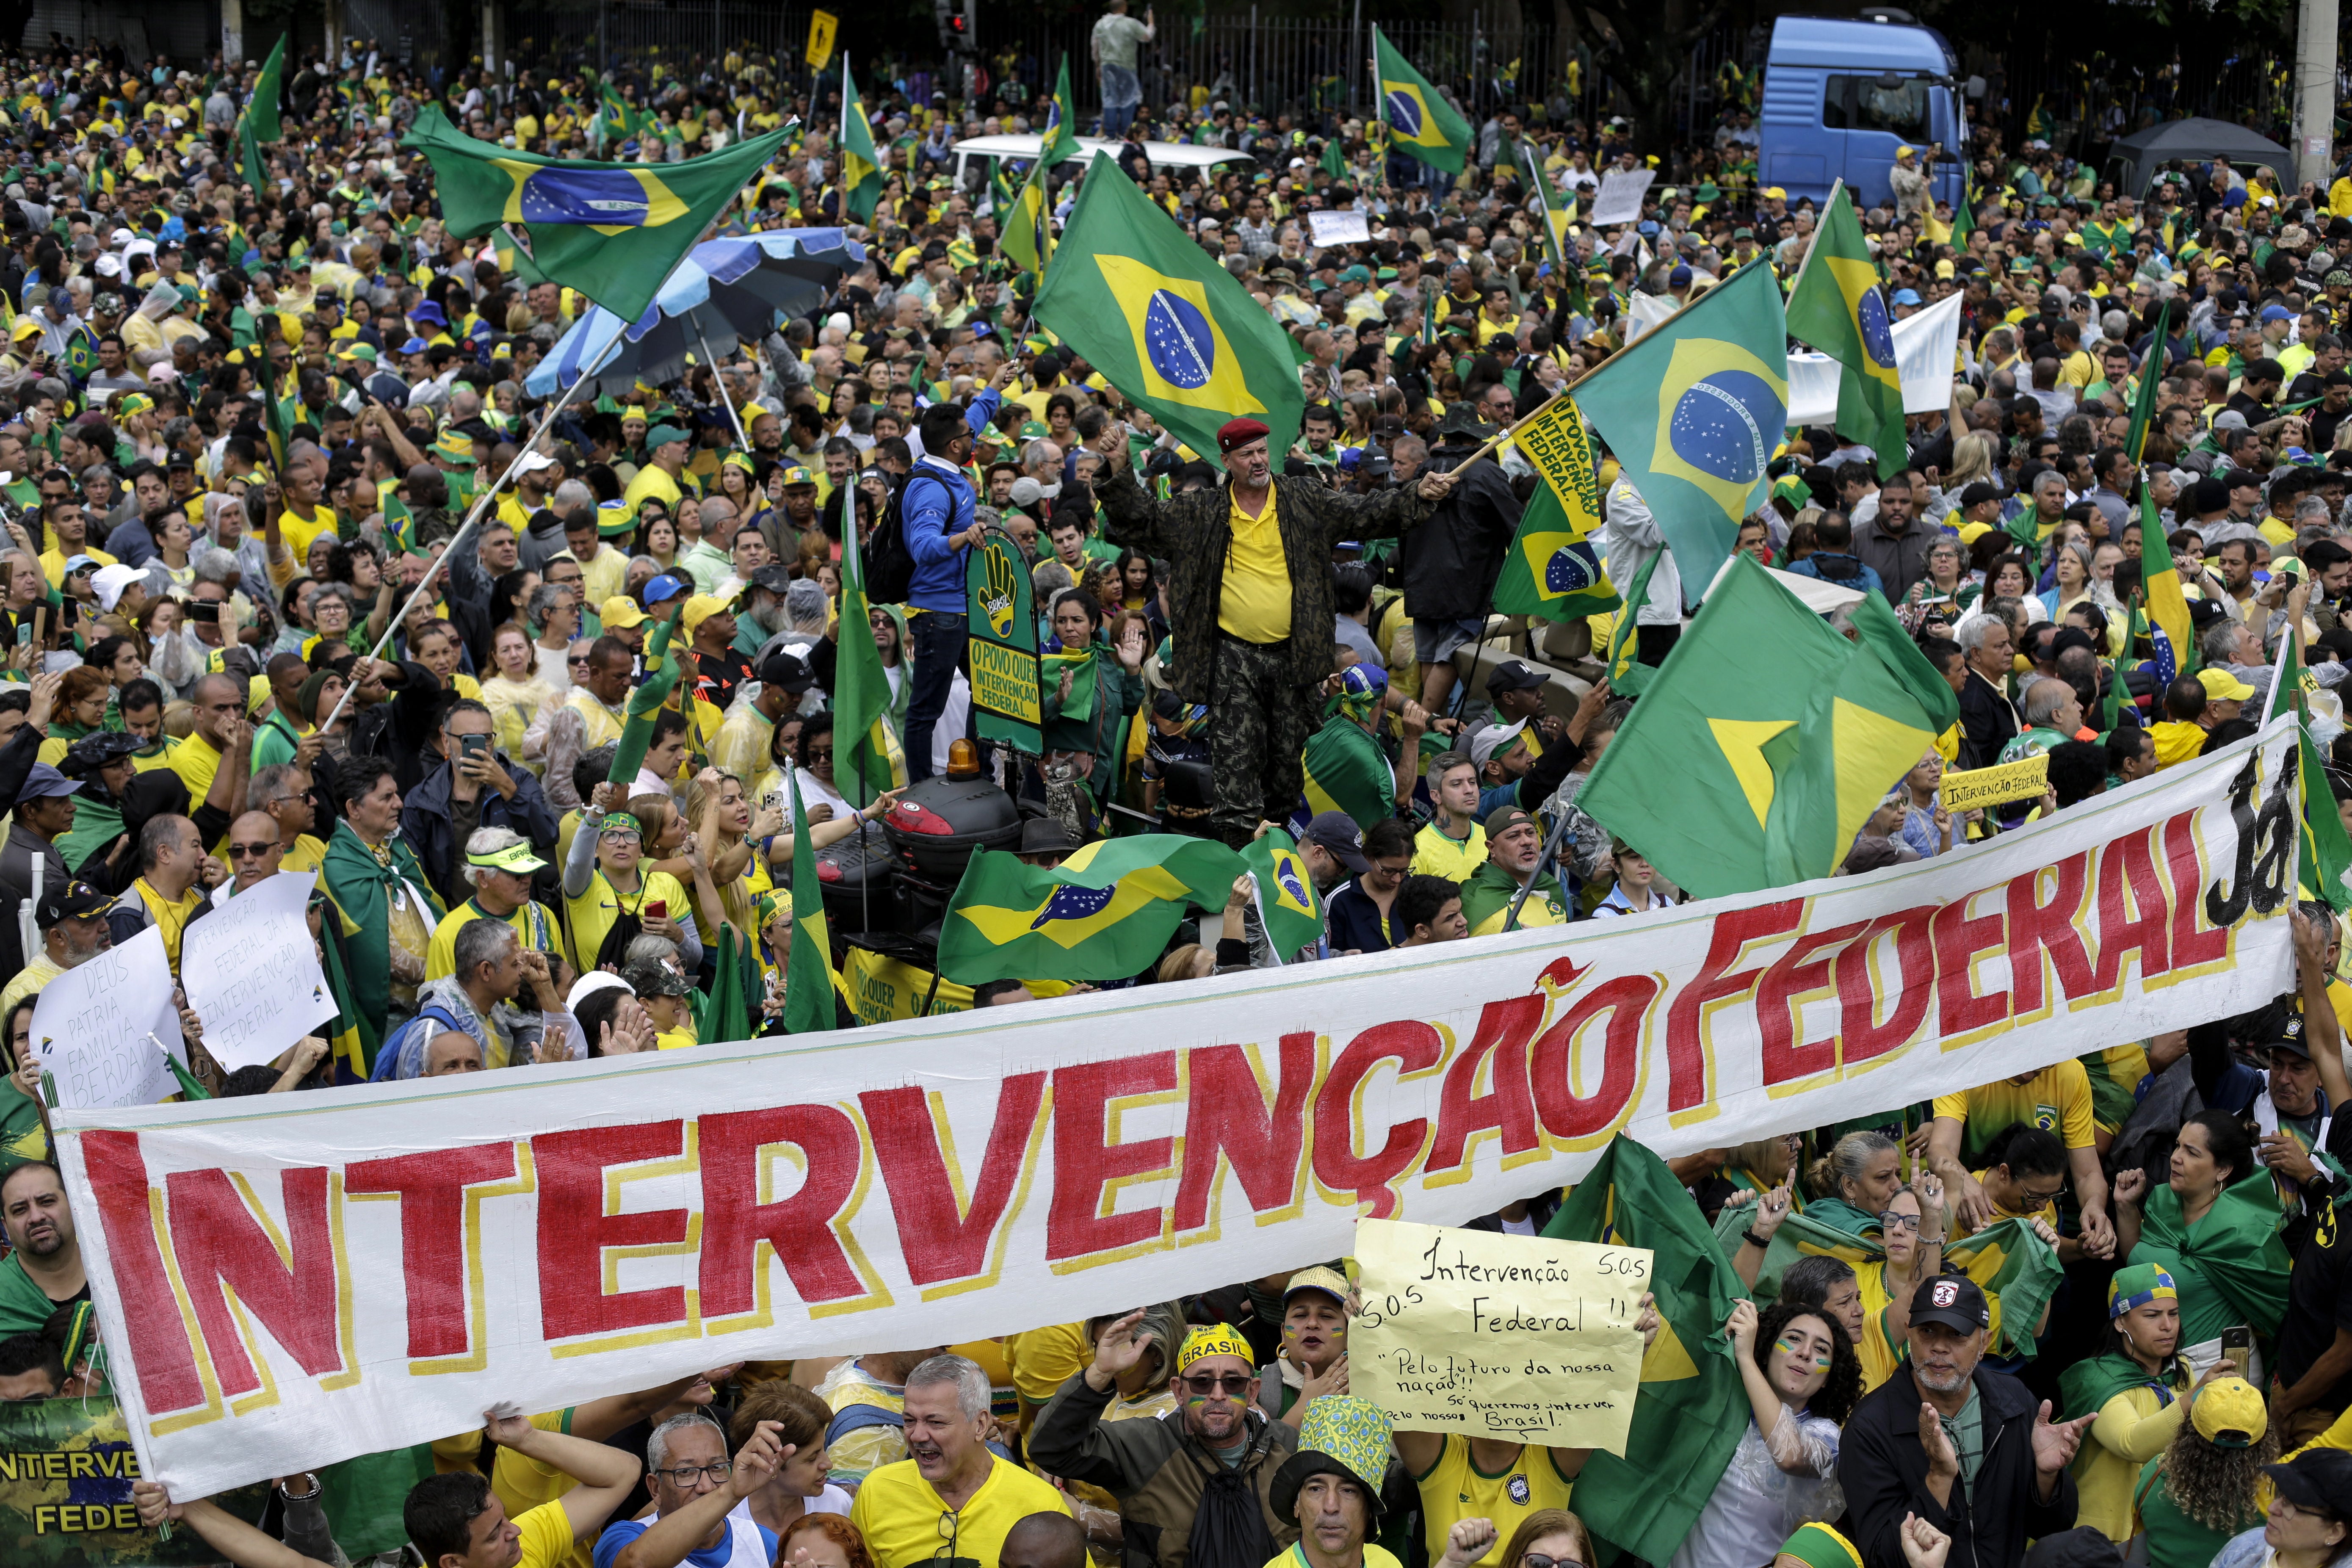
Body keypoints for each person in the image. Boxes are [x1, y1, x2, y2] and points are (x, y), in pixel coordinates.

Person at [1094, 415, 1453, 847]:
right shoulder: (1203, 510)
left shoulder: (1303, 498)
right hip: (1231, 658)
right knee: (1236, 772)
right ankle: (1241, 872)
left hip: (1293, 658)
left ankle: (1277, 861)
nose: (1257, 460)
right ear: (1226, 460)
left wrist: (1418, 495)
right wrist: (1118, 467)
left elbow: (1365, 514)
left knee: (1285, 772)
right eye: (1246, 454)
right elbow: (1143, 522)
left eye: (1262, 450)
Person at [1838, 1275, 2090, 1568]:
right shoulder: (1869, 1427)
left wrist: (2046, 1478)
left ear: (1984, 1343)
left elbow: (2050, 1528)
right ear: (1909, 1333)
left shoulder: (2014, 1402)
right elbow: (1882, 1556)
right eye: (1928, 1331)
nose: (1939, 1347)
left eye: (1956, 1334)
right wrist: (1938, 1480)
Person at [1029, 1319, 1298, 1568]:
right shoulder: (1145, 1446)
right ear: (1179, 1391)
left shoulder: (1286, 1445)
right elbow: (1050, 1448)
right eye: (1202, 1382)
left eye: (1233, 1382)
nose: (1218, 1395)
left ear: (1252, 1392)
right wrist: (1100, 1373)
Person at [1671, 1300, 1859, 1568]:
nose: (1805, 1353)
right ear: (1769, 1348)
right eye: (1794, 1339)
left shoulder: (1827, 1436)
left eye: (1821, 1349)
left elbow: (1790, 1456)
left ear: (1828, 1376)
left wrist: (1746, 1360)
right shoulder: (1719, 1408)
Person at [848, 1353, 1072, 1567]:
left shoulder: (1040, 1504)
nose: (917, 1436)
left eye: (935, 1422)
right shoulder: (876, 1492)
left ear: (981, 1425)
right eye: (909, 1421)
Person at [2114, 1109, 2291, 1379]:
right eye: (2178, 1146)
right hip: (2151, 1362)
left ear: (2223, 1169)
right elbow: (2144, 1272)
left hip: (2219, 1370)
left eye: (2192, 1153)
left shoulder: (2243, 1228)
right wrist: (2126, 1207)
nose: (2175, 1158)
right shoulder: (2162, 1201)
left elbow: (2283, 1302)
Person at [2056, 1265, 2200, 1541]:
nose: (2167, 1326)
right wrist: (2192, 1400)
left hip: (2161, 1529)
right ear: (2120, 1322)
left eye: (2173, 1314)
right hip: (2099, 1535)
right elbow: (2131, 1442)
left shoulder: (2180, 1369)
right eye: (2152, 1315)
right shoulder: (2096, 1376)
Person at [592, 1413, 786, 1568]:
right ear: (655, 1488)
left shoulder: (763, 1542)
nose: (706, 1487)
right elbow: (638, 1564)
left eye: (717, 1468)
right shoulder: (623, 1538)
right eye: (686, 1472)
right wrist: (730, 1493)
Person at [2135, 1377, 2275, 1568]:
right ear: (2265, 1436)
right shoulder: (2276, 1494)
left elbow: (2140, 1527)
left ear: (2189, 1426)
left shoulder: (2155, 1472)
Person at [2210, 1449, 2352, 1568]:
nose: (2272, 1508)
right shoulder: (2246, 1547)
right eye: (2281, 1496)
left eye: (2291, 1505)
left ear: (2335, 1532)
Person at [0, 1159, 84, 1337]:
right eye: (20, 1210)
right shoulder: (3, 1297)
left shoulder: (118, 1271)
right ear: (6, 1227)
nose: (36, 1217)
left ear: (74, 1206)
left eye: (46, 1202)